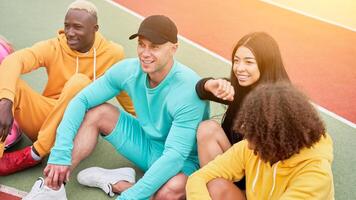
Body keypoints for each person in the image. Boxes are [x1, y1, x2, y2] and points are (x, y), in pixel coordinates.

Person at [23, 15, 209, 200]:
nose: (145, 53)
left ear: (173, 49)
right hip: (147, 146)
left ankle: (119, 184)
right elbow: (81, 100)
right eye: (142, 44)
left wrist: (129, 197)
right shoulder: (128, 70)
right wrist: (60, 153)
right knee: (98, 112)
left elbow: (175, 156)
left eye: (154, 47)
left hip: (183, 163)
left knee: (168, 193)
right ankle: (53, 185)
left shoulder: (188, 88)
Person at [0, 0, 134, 175]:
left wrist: (153, 128)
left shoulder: (113, 53)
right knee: (8, 83)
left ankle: (36, 153)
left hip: (79, 129)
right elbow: (13, 60)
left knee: (80, 83)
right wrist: (6, 101)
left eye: (77, 27)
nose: (69, 33)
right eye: (67, 26)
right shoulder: (54, 46)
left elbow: (125, 95)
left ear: (95, 28)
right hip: (45, 122)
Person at [187, 83, 334, 199]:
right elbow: (198, 177)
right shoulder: (250, 146)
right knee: (215, 186)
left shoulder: (316, 174)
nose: (248, 141)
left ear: (277, 137)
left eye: (256, 134)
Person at [195, 32, 291, 192]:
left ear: (266, 63)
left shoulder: (281, 104)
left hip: (260, 185)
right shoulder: (238, 89)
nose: (240, 68)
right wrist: (210, 84)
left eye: (249, 62)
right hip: (236, 172)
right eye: (236, 61)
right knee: (207, 128)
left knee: (215, 185)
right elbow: (200, 90)